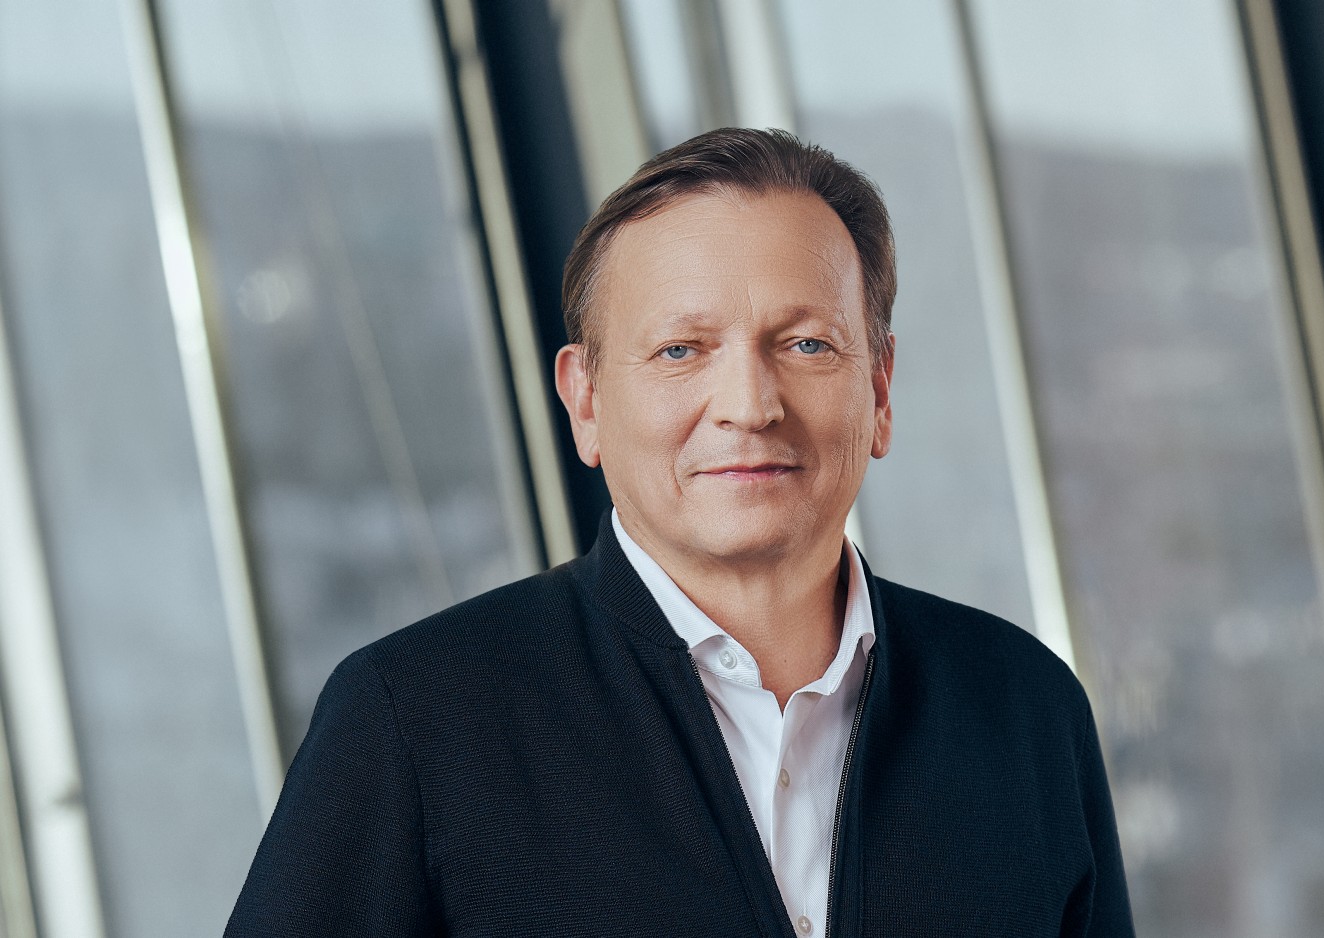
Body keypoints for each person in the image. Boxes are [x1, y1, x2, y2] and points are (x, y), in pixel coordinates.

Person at [226, 127, 1134, 937]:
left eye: (807, 344)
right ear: (586, 402)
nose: (750, 405)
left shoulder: (1026, 711)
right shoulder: (415, 720)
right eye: (680, 351)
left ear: (881, 390)